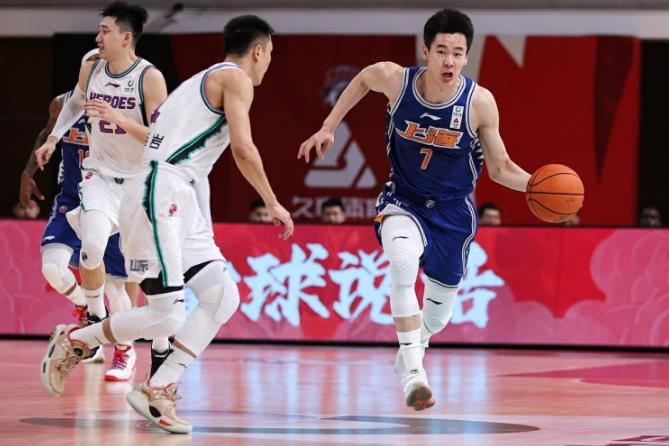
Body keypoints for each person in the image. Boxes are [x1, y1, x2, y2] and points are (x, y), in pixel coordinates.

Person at [41, 15, 294, 434]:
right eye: (269, 54)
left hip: (178, 194)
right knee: (167, 317)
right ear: (258, 51)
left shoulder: (199, 82)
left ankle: (158, 386)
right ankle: (77, 340)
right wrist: (272, 202)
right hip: (158, 190)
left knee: (222, 297)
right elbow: (244, 149)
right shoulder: (235, 79)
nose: (268, 63)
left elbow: (187, 156)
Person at [299, 8, 531, 411]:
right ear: (426, 51)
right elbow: (363, 78)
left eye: (457, 53)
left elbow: (500, 168)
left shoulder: (479, 103)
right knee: (403, 263)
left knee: (438, 318)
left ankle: (412, 349)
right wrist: (328, 126)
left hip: (453, 213)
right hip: (403, 200)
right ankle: (414, 375)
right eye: (441, 51)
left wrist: (536, 186)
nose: (449, 61)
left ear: (466, 56)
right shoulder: (396, 80)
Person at [34, 2, 168, 380]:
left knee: (143, 280)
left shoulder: (149, 78)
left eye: (105, 31)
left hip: (138, 185)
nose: (98, 37)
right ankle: (94, 318)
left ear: (126, 37)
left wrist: (119, 118)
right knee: (90, 248)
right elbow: (74, 102)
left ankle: (155, 349)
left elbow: (162, 139)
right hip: (100, 178)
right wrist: (53, 138)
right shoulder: (91, 66)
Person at [23, 50, 140, 379]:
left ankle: (125, 350)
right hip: (72, 196)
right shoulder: (63, 104)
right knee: (52, 268)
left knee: (117, 288)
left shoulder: (122, 107)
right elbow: (47, 133)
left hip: (110, 198)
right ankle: (88, 310)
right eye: (89, 70)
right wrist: (27, 172)